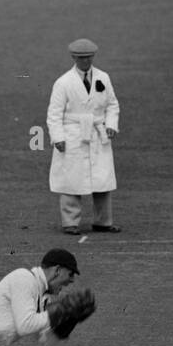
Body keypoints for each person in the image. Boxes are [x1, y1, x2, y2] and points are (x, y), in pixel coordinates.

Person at [47, 38, 121, 234]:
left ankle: (103, 221)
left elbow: (112, 104)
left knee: (102, 179)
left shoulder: (103, 77)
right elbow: (54, 113)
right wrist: (58, 137)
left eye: (88, 57)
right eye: (81, 58)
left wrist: (111, 124)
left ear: (93, 57)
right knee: (71, 180)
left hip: (98, 133)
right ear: (74, 58)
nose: (85, 61)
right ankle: (70, 222)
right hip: (74, 134)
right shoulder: (63, 82)